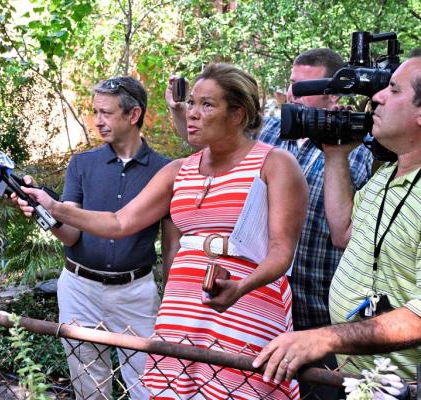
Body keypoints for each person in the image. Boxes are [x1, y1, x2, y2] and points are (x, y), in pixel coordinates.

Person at [16, 63, 308, 399]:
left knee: (239, 389)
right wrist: (52, 206)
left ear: (238, 114)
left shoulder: (274, 164)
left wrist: (240, 288)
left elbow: (281, 252)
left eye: (207, 105)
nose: (193, 113)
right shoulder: (177, 171)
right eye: (192, 103)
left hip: (245, 304)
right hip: (183, 309)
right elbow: (119, 223)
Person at [167, 48, 374, 398]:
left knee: (323, 391)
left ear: (333, 93)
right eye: (292, 85)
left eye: (305, 88)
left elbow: (352, 233)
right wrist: (180, 113)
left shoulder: (361, 151)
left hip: (322, 304)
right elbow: (213, 140)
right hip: (260, 298)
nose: (293, 94)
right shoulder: (273, 131)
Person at [253, 55, 421, 384]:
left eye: (394, 90)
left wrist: (324, 337)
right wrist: (336, 153)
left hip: (404, 385)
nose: (377, 97)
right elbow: (343, 231)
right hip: (359, 375)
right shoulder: (388, 173)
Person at [14, 76, 176, 399]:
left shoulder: (165, 170)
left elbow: (171, 249)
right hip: (79, 289)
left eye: (106, 113)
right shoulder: (82, 164)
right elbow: (71, 235)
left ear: (133, 115)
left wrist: (174, 301)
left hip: (135, 293)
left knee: (151, 386)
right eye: (95, 112)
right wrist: (45, 213)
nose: (97, 121)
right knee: (90, 387)